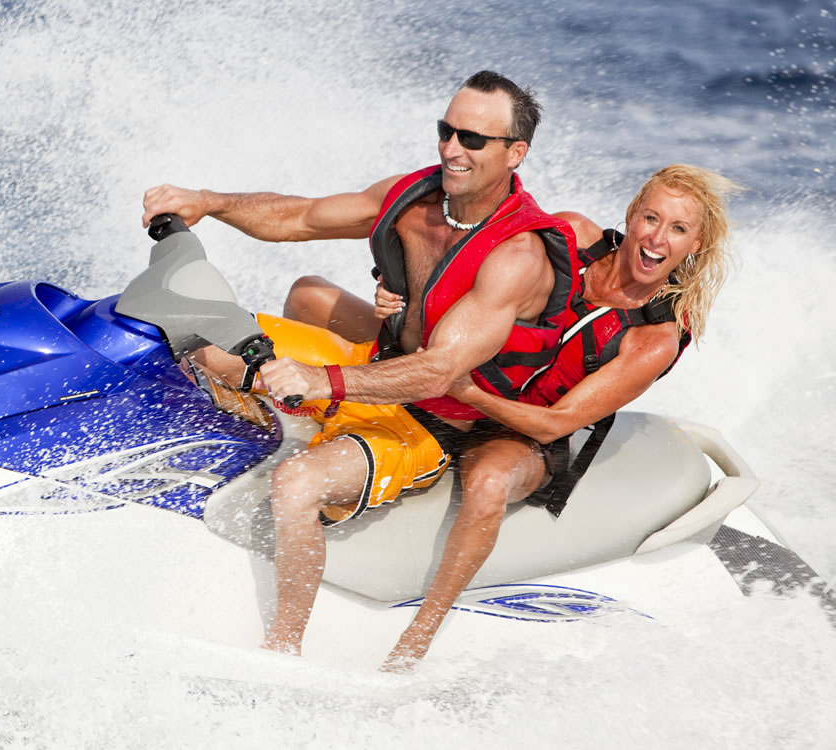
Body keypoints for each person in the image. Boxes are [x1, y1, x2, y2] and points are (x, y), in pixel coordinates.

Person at [140, 71, 576, 656]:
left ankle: (283, 649)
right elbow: (301, 217)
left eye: (473, 139)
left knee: (297, 485)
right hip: (373, 364)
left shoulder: (517, 255)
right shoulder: (414, 199)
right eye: (447, 130)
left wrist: (321, 380)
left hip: (428, 418)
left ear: (514, 152)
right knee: (194, 339)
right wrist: (210, 203)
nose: (451, 148)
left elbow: (439, 371)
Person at [375, 164, 740, 669]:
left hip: (525, 429)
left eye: (678, 229)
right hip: (464, 371)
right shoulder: (570, 235)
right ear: (632, 216)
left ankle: (417, 638)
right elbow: (465, 279)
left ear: (694, 245)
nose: (657, 239)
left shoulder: (654, 338)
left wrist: (467, 392)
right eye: (651, 218)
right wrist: (396, 299)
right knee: (311, 293)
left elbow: (556, 424)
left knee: (487, 481)